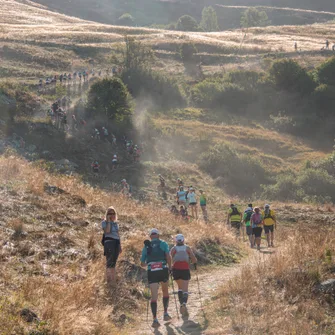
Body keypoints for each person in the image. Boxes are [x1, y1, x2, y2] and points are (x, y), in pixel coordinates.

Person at [140, 229, 172, 328]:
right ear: (158, 235)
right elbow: (168, 256)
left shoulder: (146, 246)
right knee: (165, 290)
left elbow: (142, 263)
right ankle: (165, 314)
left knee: (154, 295)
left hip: (152, 271)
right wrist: (170, 267)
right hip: (163, 269)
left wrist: (150, 264)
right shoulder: (163, 243)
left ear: (150, 237)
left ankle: (154, 319)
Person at [170, 234, 197, 316]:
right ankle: (184, 303)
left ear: (176, 241)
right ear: (183, 240)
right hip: (185, 269)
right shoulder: (187, 248)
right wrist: (194, 264)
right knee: (185, 289)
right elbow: (193, 258)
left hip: (176, 269)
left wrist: (170, 268)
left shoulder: (174, 249)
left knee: (180, 288)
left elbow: (169, 258)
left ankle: (181, 303)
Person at [101, 206, 121, 284]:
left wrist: (120, 246)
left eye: (113, 213)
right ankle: (109, 281)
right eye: (110, 213)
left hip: (116, 243)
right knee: (109, 262)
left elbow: (118, 235)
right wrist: (108, 221)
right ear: (107, 214)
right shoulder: (104, 222)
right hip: (109, 242)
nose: (112, 215)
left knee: (114, 262)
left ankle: (113, 280)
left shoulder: (116, 224)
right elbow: (107, 231)